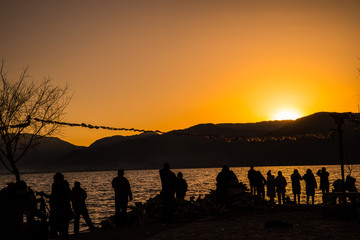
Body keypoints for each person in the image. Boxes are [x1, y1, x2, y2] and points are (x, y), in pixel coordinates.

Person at [49, 172, 73, 240]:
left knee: (63, 231)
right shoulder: (56, 186)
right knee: (62, 231)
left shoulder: (64, 187)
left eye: (55, 180)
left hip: (62, 212)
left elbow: (57, 197)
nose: (54, 181)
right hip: (58, 212)